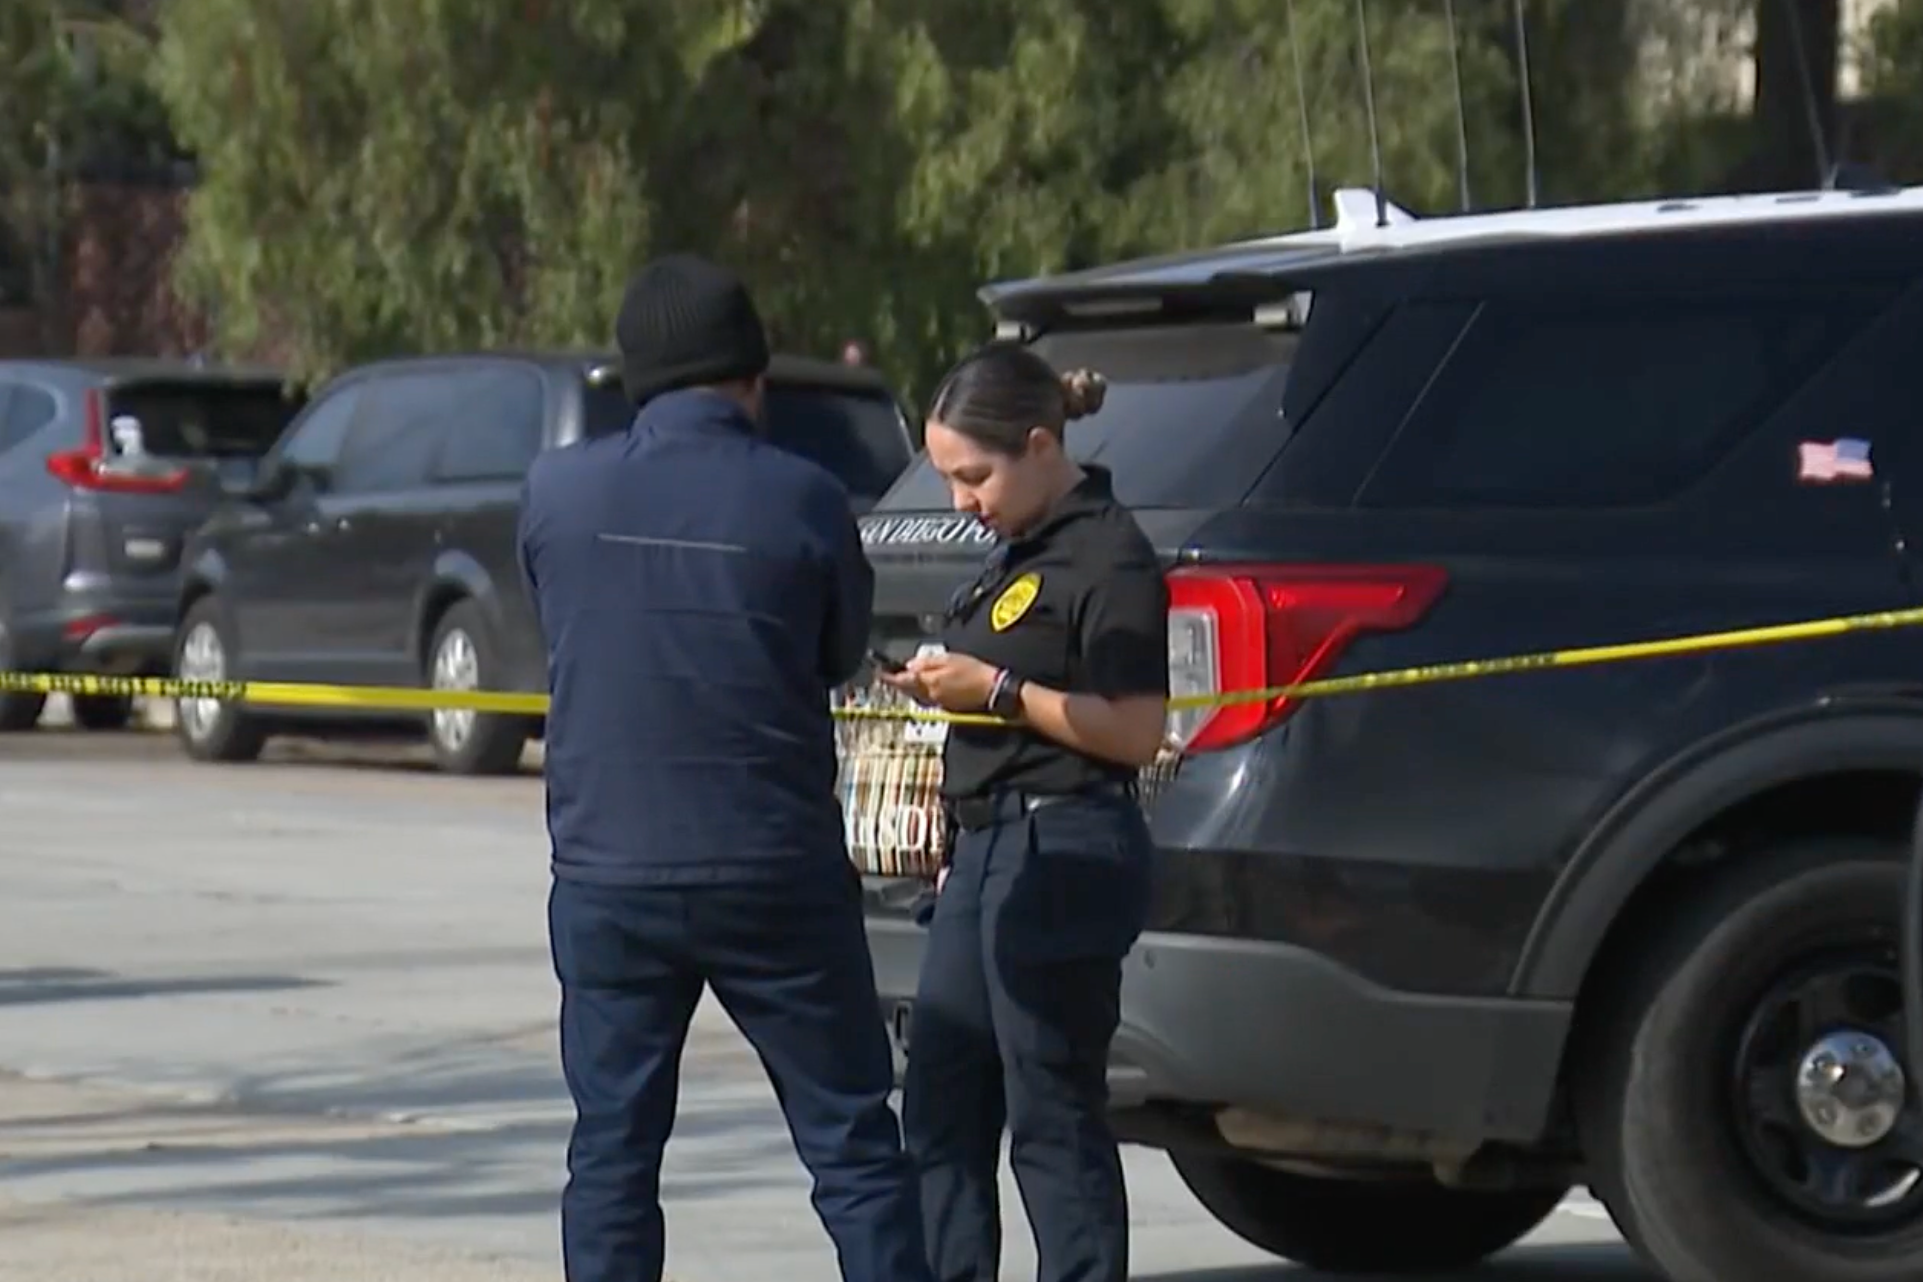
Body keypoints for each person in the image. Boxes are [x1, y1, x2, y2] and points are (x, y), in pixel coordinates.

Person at [518, 253, 930, 1282]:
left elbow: (564, 631)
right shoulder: (803, 496)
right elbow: (840, 655)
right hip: (772, 866)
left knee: (612, 1152)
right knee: (851, 1144)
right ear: (751, 377)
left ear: (636, 382)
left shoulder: (556, 491)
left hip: (610, 869)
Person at [878, 343, 1170, 1282]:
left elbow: (1133, 729)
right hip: (989, 844)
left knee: (1049, 1108)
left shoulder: (1109, 555)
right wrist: (945, 688)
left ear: (1040, 445)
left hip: (1066, 843)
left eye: (975, 476)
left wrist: (996, 690)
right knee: (941, 1098)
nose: (963, 499)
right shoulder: (1019, 552)